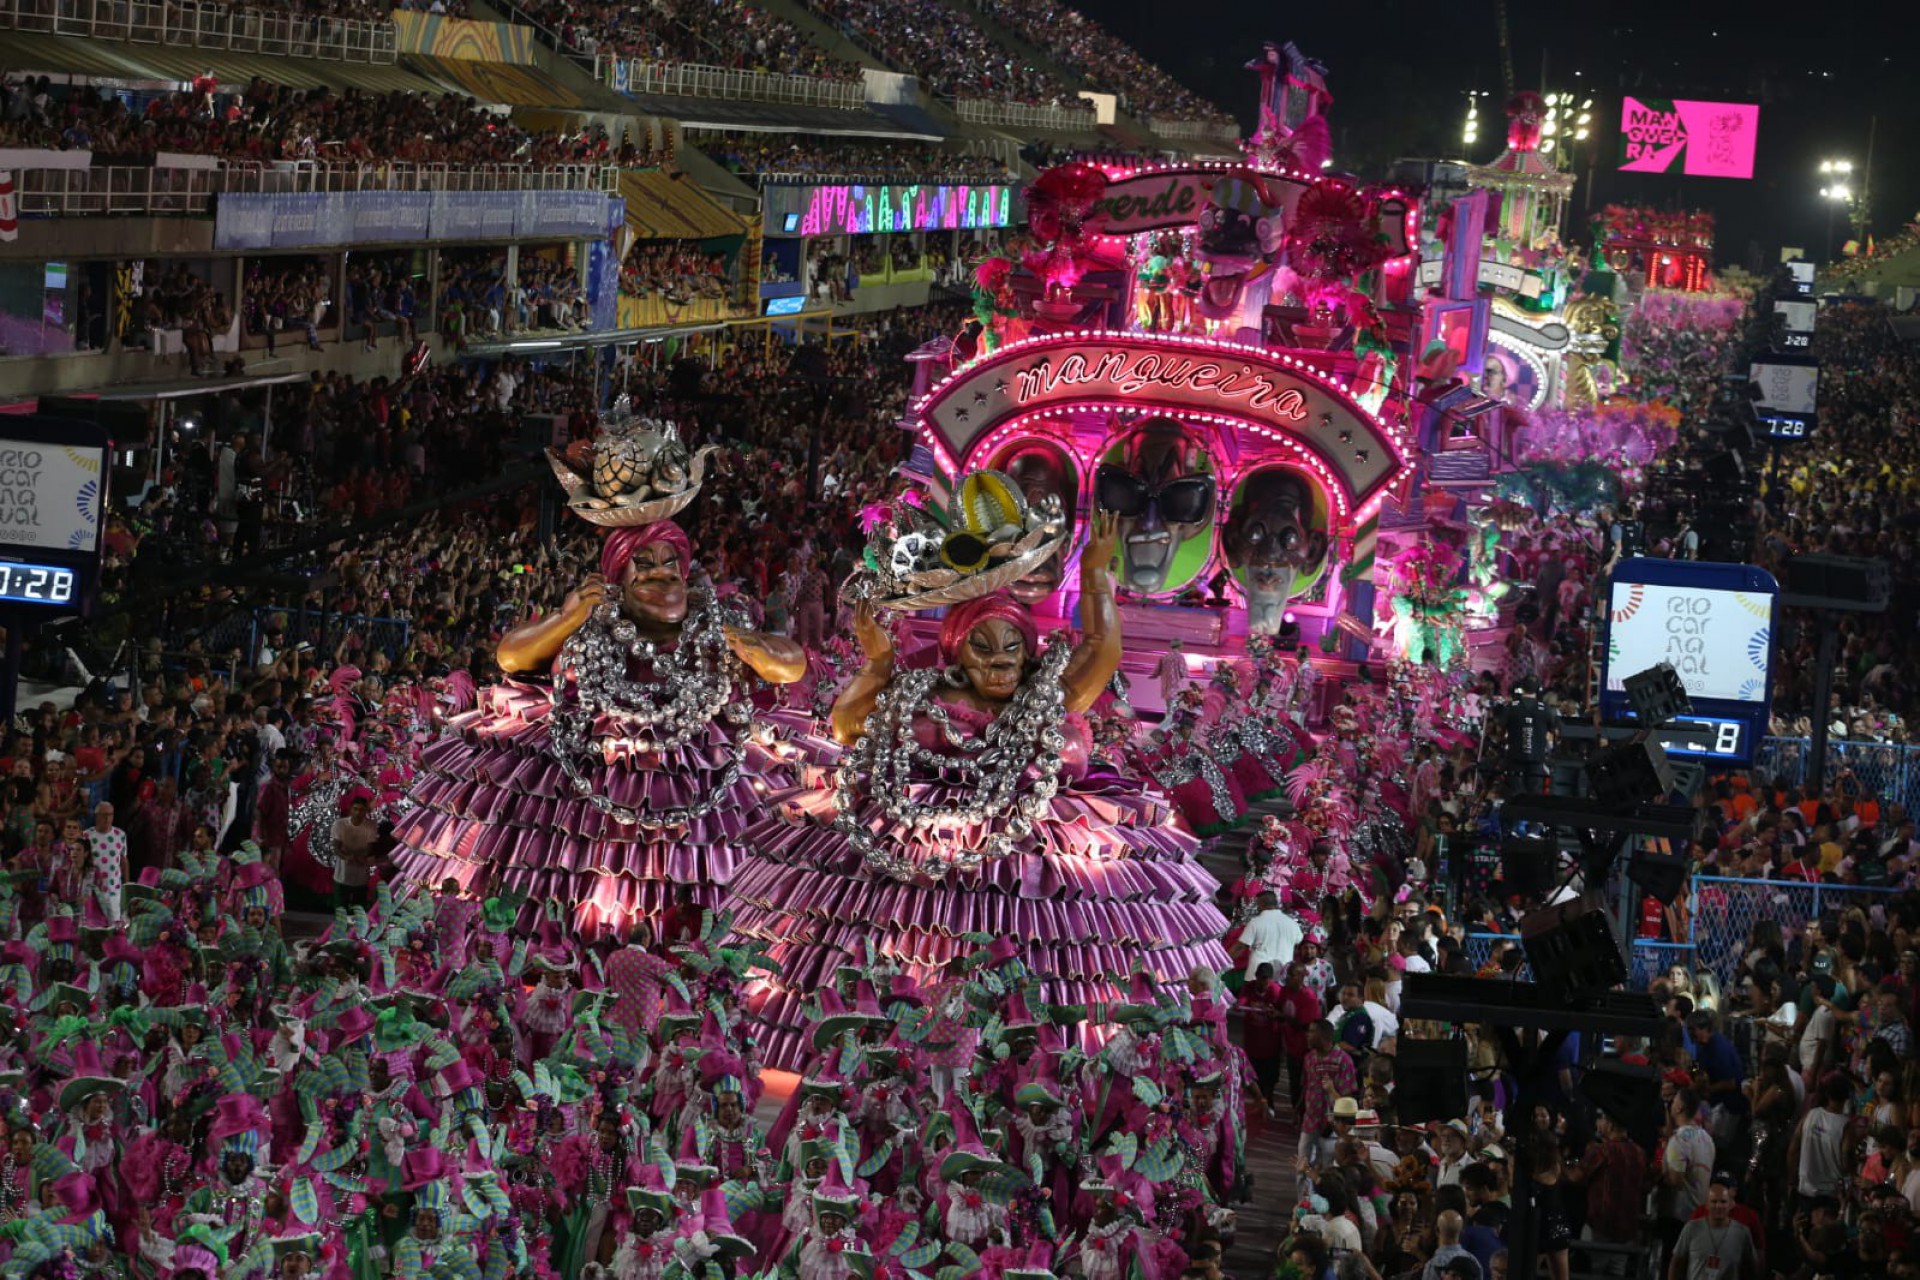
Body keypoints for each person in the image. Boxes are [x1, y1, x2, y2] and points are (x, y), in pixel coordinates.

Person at [730, 488, 1231, 1069]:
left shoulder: (1048, 695)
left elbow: (1102, 647)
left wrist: (1096, 574)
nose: (1000, 660)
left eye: (1013, 645)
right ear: (955, 650)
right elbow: (847, 727)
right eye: (983, 646)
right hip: (911, 859)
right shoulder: (923, 693)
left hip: (1033, 859)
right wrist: (878, 664)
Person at [390, 421, 806, 938]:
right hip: (588, 772)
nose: (661, 572)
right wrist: (567, 620)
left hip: (703, 772)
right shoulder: (592, 626)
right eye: (644, 563)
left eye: (670, 561)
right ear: (616, 579)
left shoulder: (714, 627)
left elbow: (790, 664)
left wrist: (739, 641)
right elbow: (512, 657)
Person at [1667, 1176, 1756, 1280]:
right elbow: (1676, 1264)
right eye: (1714, 1201)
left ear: (1730, 1205)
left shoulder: (1742, 1233)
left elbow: (1751, 1269)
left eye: (1723, 1202)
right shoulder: (1691, 1228)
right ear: (1707, 1205)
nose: (1718, 1206)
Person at [1241, 889, 1303, 983]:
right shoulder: (1292, 924)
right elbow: (1299, 943)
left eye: (1257, 904)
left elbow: (1240, 947)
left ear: (1261, 903)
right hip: (1282, 974)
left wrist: (1222, 961)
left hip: (1258, 976)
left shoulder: (1255, 922)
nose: (1257, 907)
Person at [331, 793, 379, 910]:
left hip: (361, 877)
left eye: (361, 810)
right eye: (355, 809)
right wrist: (346, 857)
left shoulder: (371, 825)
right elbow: (336, 848)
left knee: (359, 913)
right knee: (341, 911)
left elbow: (370, 849)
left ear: (366, 811)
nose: (358, 813)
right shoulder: (340, 824)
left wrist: (358, 857)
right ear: (350, 809)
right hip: (342, 876)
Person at [83, 800, 127, 925]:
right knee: (93, 925)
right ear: (96, 816)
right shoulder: (86, 836)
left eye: (110, 814)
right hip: (92, 892)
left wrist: (126, 885)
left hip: (114, 890)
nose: (107, 818)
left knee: (114, 926)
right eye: (104, 815)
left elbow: (123, 860)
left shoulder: (120, 835)